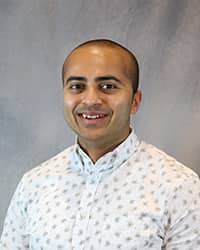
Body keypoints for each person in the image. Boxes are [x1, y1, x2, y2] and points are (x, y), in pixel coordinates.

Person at [0, 39, 200, 250]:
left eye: (108, 86)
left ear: (135, 101)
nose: (91, 99)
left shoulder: (179, 186)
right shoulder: (34, 184)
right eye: (77, 86)